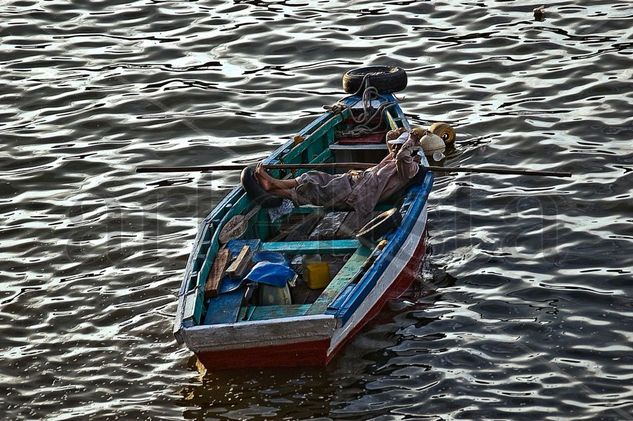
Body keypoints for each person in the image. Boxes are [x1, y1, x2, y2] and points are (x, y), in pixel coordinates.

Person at [255, 127, 426, 216]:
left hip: (358, 193)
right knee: (315, 176)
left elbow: (403, 156)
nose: (395, 148)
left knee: (315, 190)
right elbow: (392, 143)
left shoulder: (409, 168)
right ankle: (273, 186)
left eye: (399, 146)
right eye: (396, 145)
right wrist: (400, 134)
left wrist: (410, 141)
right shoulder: (393, 156)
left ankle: (275, 185)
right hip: (354, 180)